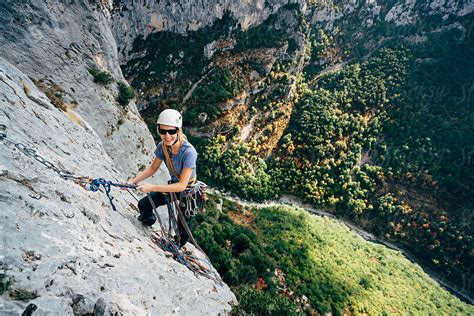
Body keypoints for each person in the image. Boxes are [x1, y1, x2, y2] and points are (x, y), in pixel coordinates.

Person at [127, 109, 198, 247]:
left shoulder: (189, 152)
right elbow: (153, 168)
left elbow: (182, 186)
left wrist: (152, 187)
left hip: (188, 191)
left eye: (171, 131)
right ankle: (149, 220)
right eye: (163, 131)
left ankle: (177, 245)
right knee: (144, 205)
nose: (167, 136)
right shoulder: (163, 147)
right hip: (173, 186)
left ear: (178, 130)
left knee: (183, 228)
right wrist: (132, 181)